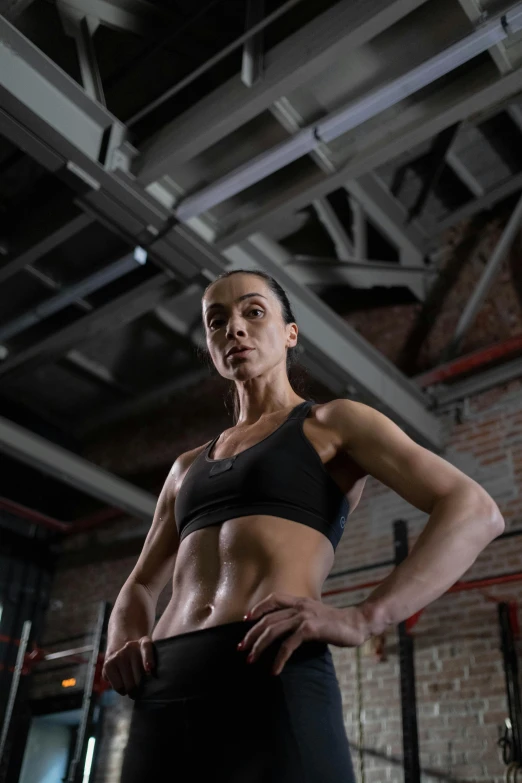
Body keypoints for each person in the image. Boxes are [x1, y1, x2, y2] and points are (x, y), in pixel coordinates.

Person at [104, 269, 504, 783]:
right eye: (217, 321)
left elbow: (473, 509)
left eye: (253, 312)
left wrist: (365, 618)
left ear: (290, 332)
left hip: (270, 666)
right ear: (209, 344)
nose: (235, 330)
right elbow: (139, 584)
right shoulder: (185, 468)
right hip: (165, 684)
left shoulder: (334, 424)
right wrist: (124, 644)